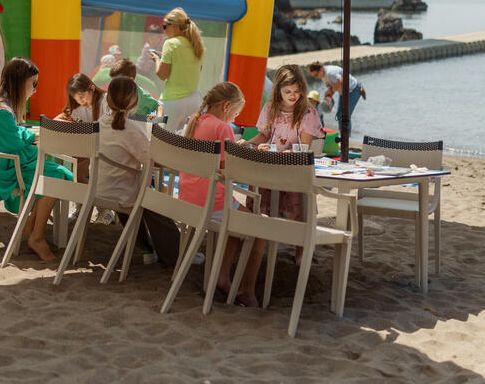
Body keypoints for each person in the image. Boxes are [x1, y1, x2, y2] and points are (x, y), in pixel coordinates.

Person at [0, 57, 71, 261]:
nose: (36, 89)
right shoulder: (0, 111)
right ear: (20, 82)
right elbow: (11, 145)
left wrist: (26, 135)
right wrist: (32, 136)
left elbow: (10, 137)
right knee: (59, 176)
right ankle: (36, 236)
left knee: (52, 170)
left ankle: (30, 226)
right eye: (34, 83)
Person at [179, 81, 263, 306]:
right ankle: (246, 290)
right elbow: (229, 170)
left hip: (189, 196)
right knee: (259, 229)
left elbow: (219, 161)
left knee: (240, 222)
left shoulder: (195, 121)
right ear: (226, 106)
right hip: (211, 201)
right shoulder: (222, 127)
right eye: (235, 113)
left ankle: (222, 275)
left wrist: (240, 148)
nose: (234, 119)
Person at [95, 77, 177, 264]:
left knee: (141, 200)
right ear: (134, 101)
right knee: (158, 204)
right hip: (122, 192)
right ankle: (175, 256)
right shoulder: (130, 127)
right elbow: (152, 159)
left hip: (100, 187)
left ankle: (147, 248)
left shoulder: (100, 122)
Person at [250, 65, 323, 263]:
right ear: (278, 90)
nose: (293, 96)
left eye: (297, 92)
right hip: (271, 164)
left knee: (298, 204)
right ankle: (259, 240)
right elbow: (264, 135)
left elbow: (304, 146)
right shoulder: (270, 108)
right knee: (262, 202)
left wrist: (287, 153)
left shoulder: (308, 112)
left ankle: (301, 250)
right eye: (288, 91)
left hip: (295, 166)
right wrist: (252, 144)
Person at [55, 73, 113, 224]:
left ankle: (104, 209)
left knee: (95, 165)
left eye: (82, 96)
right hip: (88, 148)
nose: (80, 101)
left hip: (107, 148)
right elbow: (62, 117)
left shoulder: (105, 100)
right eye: (76, 98)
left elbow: (108, 127)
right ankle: (80, 203)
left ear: (92, 88)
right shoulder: (78, 107)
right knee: (76, 160)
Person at [153, 8, 205, 132]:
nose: (164, 30)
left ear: (175, 26)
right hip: (194, 102)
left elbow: (162, 75)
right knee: (183, 143)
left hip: (173, 102)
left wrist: (157, 60)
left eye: (165, 26)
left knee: (161, 142)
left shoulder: (170, 44)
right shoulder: (196, 44)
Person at [307, 61, 344, 126]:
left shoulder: (330, 73)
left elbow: (341, 82)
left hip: (350, 90)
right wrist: (329, 94)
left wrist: (327, 104)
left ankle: (345, 134)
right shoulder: (323, 77)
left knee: (342, 115)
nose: (316, 78)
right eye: (314, 76)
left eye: (316, 75)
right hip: (342, 93)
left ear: (321, 69)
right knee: (340, 115)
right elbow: (331, 88)